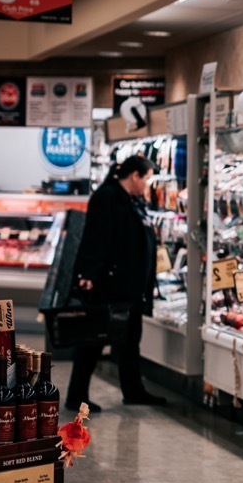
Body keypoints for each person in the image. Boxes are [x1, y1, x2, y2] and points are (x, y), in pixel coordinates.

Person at [67, 154, 166, 412]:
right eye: (146, 178)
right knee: (93, 341)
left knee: (130, 340)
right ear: (134, 176)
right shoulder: (107, 197)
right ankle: (76, 396)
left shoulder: (131, 200)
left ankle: (133, 391)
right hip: (108, 285)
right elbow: (96, 238)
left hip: (129, 286)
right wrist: (89, 275)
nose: (147, 184)